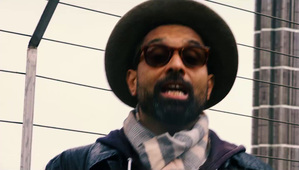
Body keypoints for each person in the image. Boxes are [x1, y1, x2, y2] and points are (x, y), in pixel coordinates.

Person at [46, 0, 272, 169]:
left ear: (209, 86)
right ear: (133, 81)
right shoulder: (73, 166)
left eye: (192, 57)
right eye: (157, 55)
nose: (176, 65)